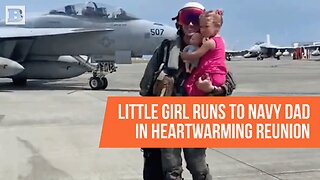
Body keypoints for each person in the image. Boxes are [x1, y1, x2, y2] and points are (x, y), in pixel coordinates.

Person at [139, 2, 236, 180]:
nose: (190, 24)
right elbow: (146, 84)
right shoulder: (166, 49)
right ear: (179, 22)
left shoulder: (211, 48)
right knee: (170, 170)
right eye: (186, 18)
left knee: (198, 168)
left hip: (195, 117)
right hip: (167, 118)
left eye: (195, 19)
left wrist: (213, 89)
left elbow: (228, 82)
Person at [181, 9, 227, 96]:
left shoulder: (209, 43)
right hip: (219, 74)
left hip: (209, 74)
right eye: (201, 26)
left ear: (217, 26)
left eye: (206, 26)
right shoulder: (221, 41)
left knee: (190, 87)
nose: (202, 30)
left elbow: (196, 54)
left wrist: (184, 56)